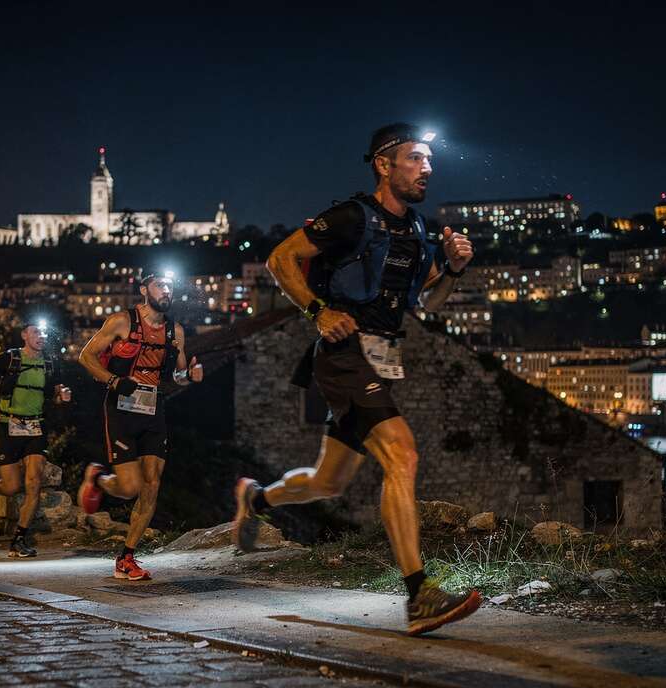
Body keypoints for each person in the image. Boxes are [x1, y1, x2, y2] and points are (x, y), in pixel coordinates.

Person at [230, 123, 481, 636]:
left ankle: (254, 499)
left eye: (430, 161)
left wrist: (453, 269)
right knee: (402, 455)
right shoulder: (349, 217)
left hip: (380, 360)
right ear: (384, 165)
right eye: (415, 159)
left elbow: (426, 303)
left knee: (329, 482)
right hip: (343, 355)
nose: (427, 169)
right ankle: (420, 595)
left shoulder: (415, 230)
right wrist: (318, 310)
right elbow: (281, 259)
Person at [75, 273, 202, 581]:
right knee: (130, 487)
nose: (166, 291)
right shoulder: (121, 322)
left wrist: (191, 376)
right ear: (145, 290)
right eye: (160, 285)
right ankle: (99, 479)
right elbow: (86, 356)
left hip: (153, 408)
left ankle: (127, 556)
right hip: (120, 408)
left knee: (152, 485)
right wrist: (114, 381)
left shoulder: (176, 331)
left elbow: (178, 375)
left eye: (170, 286)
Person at [0, 322, 72, 558]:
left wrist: (64, 397)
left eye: (44, 332)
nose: (41, 335)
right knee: (11, 487)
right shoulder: (8, 359)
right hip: (9, 424)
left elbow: (57, 395)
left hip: (36, 426)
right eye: (36, 332)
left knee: (34, 483)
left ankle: (19, 538)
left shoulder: (50, 363)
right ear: (24, 335)